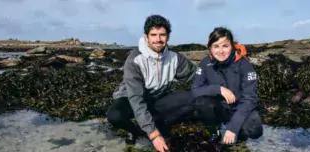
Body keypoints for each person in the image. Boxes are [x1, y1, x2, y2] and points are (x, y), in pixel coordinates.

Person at [106, 14, 197, 152]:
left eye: (162, 35)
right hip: (130, 99)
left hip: (156, 99)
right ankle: (134, 130)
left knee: (190, 98)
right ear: (146, 36)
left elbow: (195, 74)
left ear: (168, 36)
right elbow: (136, 100)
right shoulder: (134, 60)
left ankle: (154, 121)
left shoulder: (174, 58)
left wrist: (217, 70)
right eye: (153, 34)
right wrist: (154, 135)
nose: (158, 39)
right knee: (115, 116)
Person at [191, 27, 263, 145]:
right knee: (201, 102)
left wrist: (233, 128)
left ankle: (239, 135)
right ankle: (213, 131)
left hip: (238, 107)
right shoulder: (205, 64)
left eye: (225, 46)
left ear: (232, 46)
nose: (221, 51)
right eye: (216, 46)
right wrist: (217, 89)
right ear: (210, 48)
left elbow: (250, 99)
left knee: (255, 130)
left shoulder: (244, 65)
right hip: (218, 107)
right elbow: (195, 91)